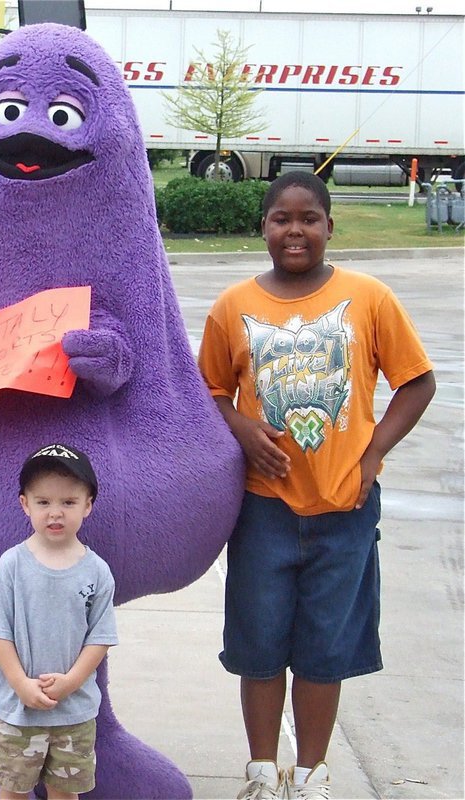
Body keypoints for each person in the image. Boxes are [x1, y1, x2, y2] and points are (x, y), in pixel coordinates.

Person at [198, 171, 436, 800]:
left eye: (309, 218)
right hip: (261, 507)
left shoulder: (369, 298)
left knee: (324, 649)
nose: (295, 230)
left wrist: (371, 452)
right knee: (258, 644)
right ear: (264, 227)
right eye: (282, 218)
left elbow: (417, 382)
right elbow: (208, 394)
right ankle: (260, 772)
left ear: (331, 226)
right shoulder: (233, 306)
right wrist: (243, 428)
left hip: (345, 508)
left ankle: (311, 774)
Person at [0, 444, 119, 800]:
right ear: (25, 504)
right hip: (17, 711)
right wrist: (21, 684)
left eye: (68, 502)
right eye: (44, 502)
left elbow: (99, 638)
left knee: (65, 792)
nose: (55, 512)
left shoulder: (97, 571)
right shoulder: (11, 565)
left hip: (74, 711)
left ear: (88, 505)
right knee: (12, 790)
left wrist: (71, 682)